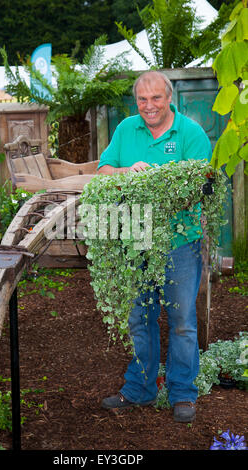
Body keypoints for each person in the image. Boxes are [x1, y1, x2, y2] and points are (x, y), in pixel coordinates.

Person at [97, 70, 212, 423]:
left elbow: (201, 185)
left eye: (156, 98)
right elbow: (103, 169)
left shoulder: (191, 134)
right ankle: (140, 389)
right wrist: (126, 171)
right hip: (136, 237)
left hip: (179, 240)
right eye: (142, 99)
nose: (149, 106)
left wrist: (155, 182)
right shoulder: (125, 129)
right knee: (137, 317)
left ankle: (182, 393)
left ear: (169, 98)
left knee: (181, 321)